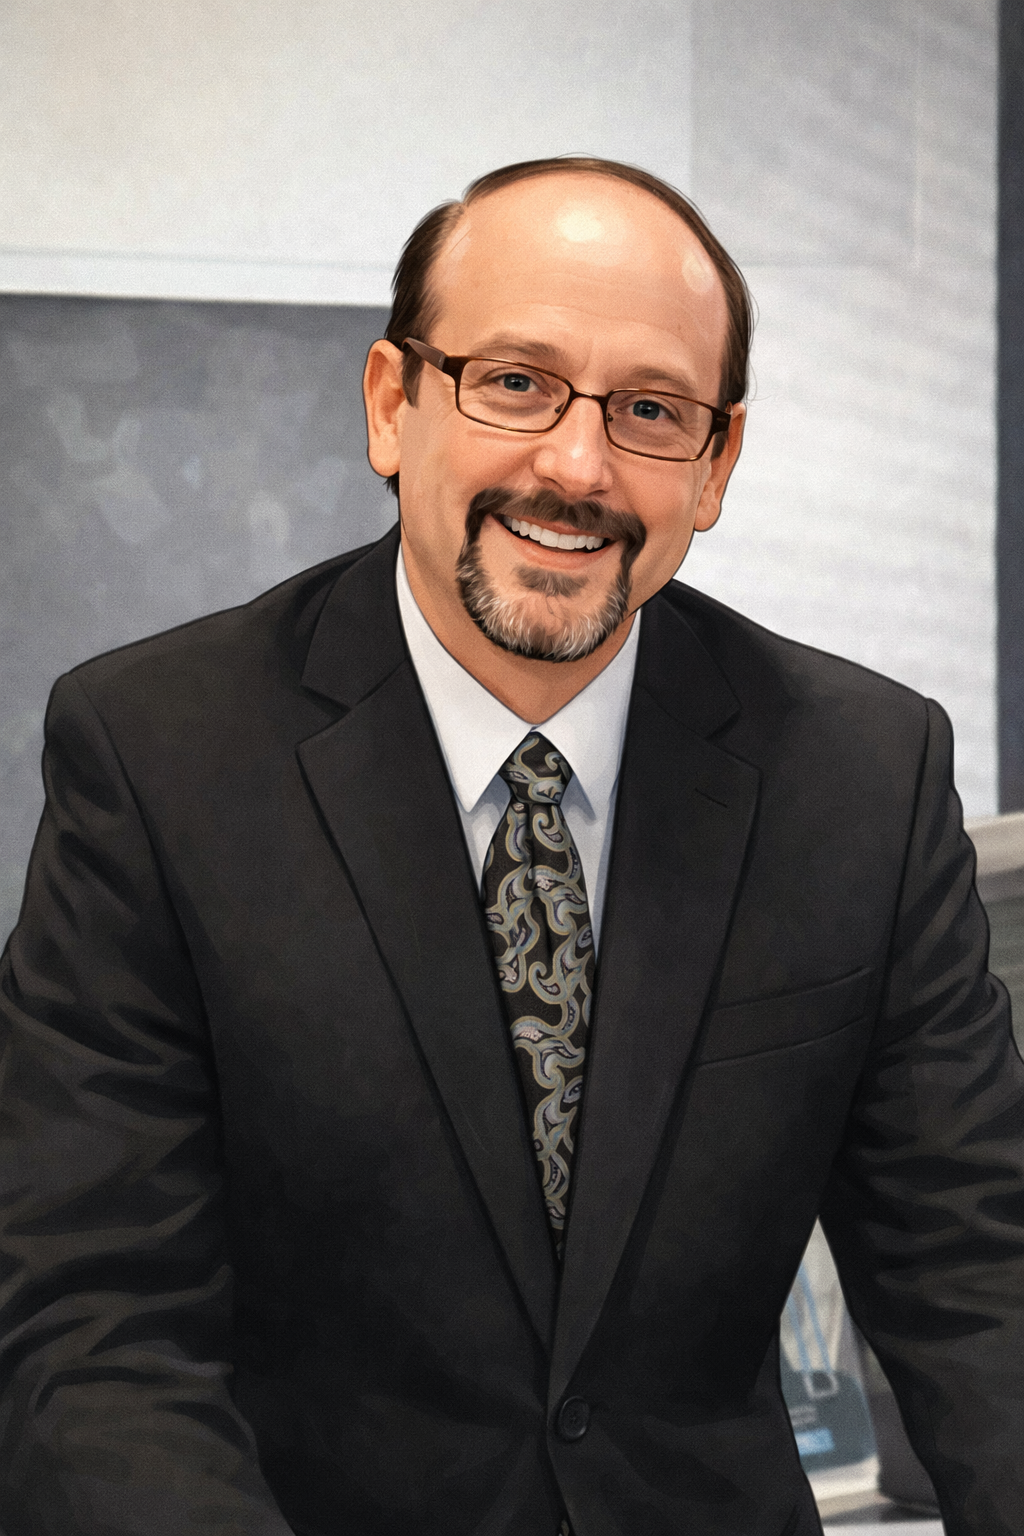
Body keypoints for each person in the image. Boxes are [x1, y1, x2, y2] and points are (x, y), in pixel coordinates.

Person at [0, 156, 1021, 1536]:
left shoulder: (859, 775)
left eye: (651, 410)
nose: (577, 467)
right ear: (392, 404)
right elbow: (95, 1325)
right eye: (516, 383)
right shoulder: (159, 755)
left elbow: (980, 1279)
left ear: (717, 465)